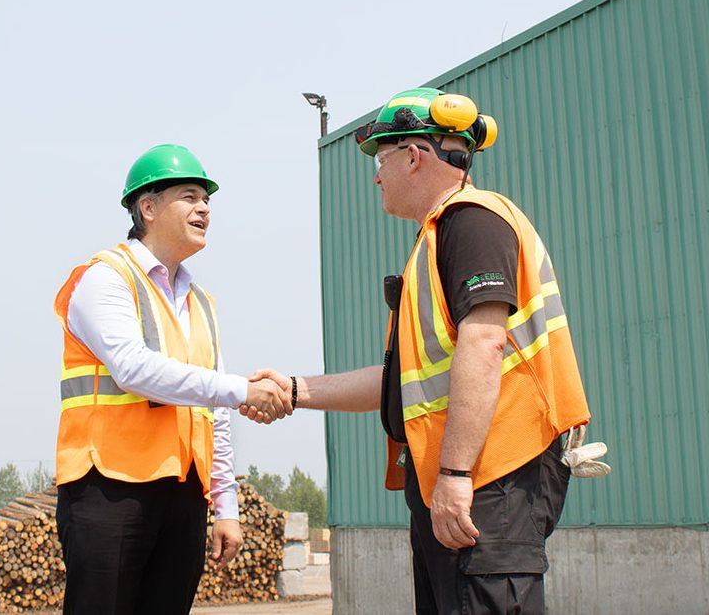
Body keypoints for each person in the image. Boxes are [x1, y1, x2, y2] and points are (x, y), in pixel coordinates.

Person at [250, 88, 608, 614]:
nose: (376, 177)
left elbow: (484, 343)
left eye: (381, 160)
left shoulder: (472, 220)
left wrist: (456, 474)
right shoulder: (437, 237)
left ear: (414, 156)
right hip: (465, 486)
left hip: (489, 483)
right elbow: (403, 380)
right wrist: (296, 390)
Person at [53, 144, 291, 615]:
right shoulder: (105, 279)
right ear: (148, 207)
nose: (204, 209)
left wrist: (226, 505)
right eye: (189, 196)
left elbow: (213, 413)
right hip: (109, 486)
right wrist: (243, 390)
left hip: (183, 493)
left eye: (207, 199)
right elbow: (133, 369)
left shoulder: (201, 302)